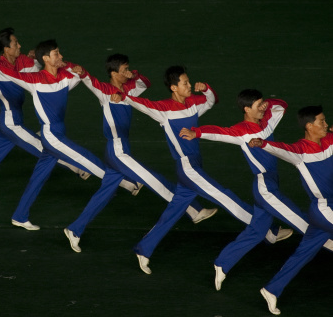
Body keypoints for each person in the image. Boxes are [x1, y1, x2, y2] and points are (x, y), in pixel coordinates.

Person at [120, 66, 286, 275]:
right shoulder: (162, 109)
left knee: (172, 213)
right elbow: (138, 102)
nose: (190, 86)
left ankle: (143, 250)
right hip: (188, 167)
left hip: (194, 166)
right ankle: (269, 232)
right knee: (225, 196)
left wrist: (206, 89)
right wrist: (124, 91)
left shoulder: (193, 103)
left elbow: (211, 100)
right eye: (185, 83)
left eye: (189, 82)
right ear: (173, 87)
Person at [180, 89, 332, 291]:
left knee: (257, 231)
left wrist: (265, 104)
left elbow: (281, 105)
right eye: (258, 105)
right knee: (299, 217)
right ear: (246, 109)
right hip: (264, 186)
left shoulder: (268, 120)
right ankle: (327, 240)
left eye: (263, 103)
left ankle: (222, 262)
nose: (263, 107)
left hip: (270, 183)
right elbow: (219, 132)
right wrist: (196, 132)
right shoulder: (241, 131)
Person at [63, 54, 217, 253]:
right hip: (117, 150)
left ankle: (74, 229)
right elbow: (88, 79)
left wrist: (133, 74)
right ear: (113, 73)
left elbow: (146, 81)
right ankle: (194, 210)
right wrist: (81, 71)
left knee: (104, 194)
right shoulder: (104, 90)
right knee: (155, 180)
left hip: (122, 148)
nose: (128, 72)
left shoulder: (130, 88)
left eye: (129, 68)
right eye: (124, 70)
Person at [0, 40, 141, 230]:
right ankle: (126, 182)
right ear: (46, 58)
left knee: (38, 177)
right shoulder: (34, 80)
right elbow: (9, 73)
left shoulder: (65, 76)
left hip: (58, 132)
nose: (61, 56)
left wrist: (74, 68)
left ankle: (20, 216)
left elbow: (82, 73)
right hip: (52, 135)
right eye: (56, 54)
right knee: (84, 157)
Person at [0, 27, 89, 209]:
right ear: (6, 49)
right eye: (15, 43)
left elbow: (41, 71)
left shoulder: (24, 61)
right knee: (43, 146)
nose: (19, 45)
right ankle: (78, 167)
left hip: (13, 120)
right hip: (10, 122)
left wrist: (36, 58)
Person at [249, 105, 333, 315]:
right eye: (321, 121)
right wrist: (263, 143)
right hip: (325, 209)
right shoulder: (300, 151)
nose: (325, 124)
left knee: (303, 253)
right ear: (309, 126)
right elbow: (280, 148)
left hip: (319, 214)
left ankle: (271, 289)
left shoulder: (329, 140)